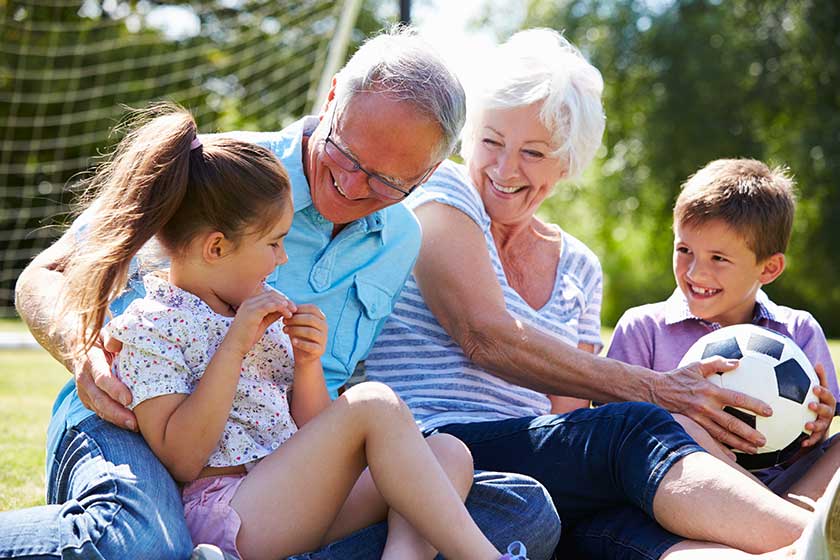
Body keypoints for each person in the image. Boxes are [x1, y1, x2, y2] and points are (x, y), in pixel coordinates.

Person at [4, 28, 559, 560]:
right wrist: (87, 354)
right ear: (334, 95)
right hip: (131, 420)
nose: (352, 185)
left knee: (515, 503)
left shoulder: (400, 240)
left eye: (389, 182)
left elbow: (314, 417)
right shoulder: (219, 174)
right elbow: (43, 276)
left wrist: (310, 365)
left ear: (431, 171)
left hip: (280, 466)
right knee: (143, 545)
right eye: (348, 155)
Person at [365, 28, 840, 559]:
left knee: (627, 528)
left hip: (534, 459)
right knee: (633, 428)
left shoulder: (579, 267)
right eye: (491, 142)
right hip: (434, 443)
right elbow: (485, 336)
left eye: (534, 153)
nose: (505, 169)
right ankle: (807, 540)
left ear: (567, 161)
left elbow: (569, 420)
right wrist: (659, 390)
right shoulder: (443, 193)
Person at [607, 158, 839, 504]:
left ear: (770, 268)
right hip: (691, 489)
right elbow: (614, 431)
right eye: (684, 250)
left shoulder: (798, 330)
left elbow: (814, 442)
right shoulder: (644, 329)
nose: (695, 273)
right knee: (684, 429)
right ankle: (780, 522)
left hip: (788, 487)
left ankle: (789, 518)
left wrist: (817, 428)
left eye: (718, 258)